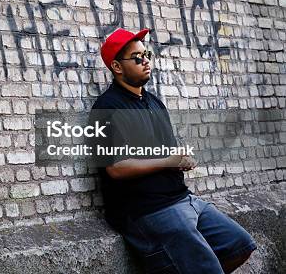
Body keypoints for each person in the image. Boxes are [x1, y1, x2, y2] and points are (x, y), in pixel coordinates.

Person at [90, 28, 256, 274]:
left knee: (240, 245)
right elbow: (116, 168)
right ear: (116, 67)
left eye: (146, 54)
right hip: (147, 209)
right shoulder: (106, 107)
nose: (145, 60)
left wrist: (181, 159)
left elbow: (166, 151)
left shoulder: (154, 102)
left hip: (183, 198)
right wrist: (168, 161)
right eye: (137, 57)